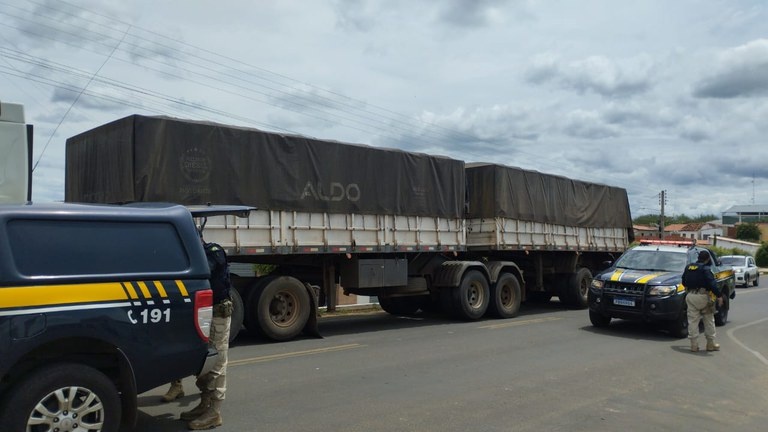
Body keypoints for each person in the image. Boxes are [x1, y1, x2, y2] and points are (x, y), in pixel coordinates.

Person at [162, 236, 233, 429]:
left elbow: (203, 271)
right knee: (202, 362)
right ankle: (205, 403)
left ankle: (215, 412)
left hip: (218, 314)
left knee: (217, 363)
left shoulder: (214, 251)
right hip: (201, 313)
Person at [681, 250, 722, 353]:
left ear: (698, 257)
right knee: (708, 320)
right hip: (703, 297)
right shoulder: (706, 269)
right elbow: (712, 284)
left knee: (692, 321)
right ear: (707, 259)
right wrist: (719, 296)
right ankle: (710, 344)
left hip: (690, 296)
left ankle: (694, 346)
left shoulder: (688, 267)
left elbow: (684, 281)